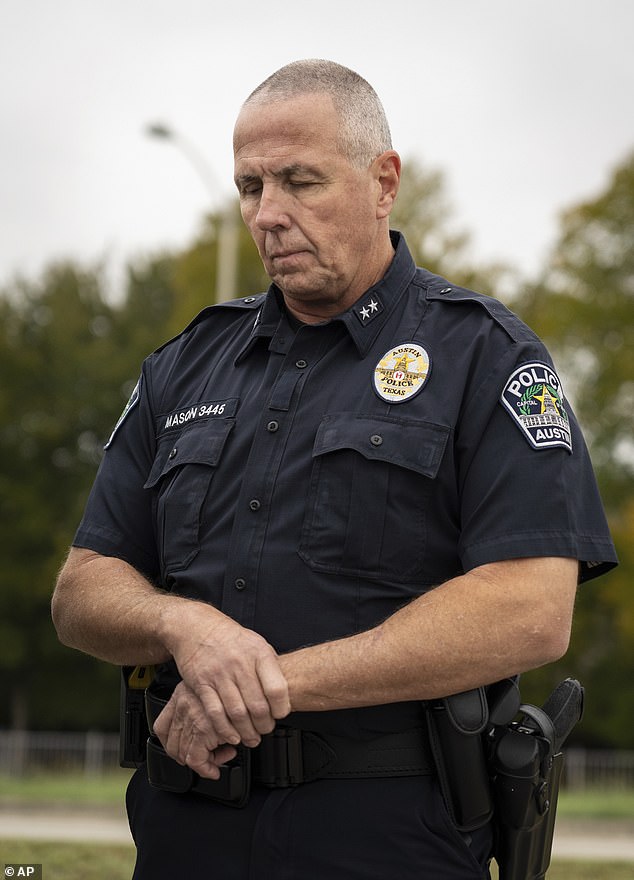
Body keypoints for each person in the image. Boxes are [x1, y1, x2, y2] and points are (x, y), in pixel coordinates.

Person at [52, 59, 617, 879]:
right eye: (250, 187)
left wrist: (264, 686)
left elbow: (530, 609)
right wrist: (185, 626)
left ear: (383, 181)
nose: (269, 215)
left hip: (387, 839)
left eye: (300, 182)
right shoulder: (183, 367)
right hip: (187, 833)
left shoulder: (484, 356)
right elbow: (82, 591)